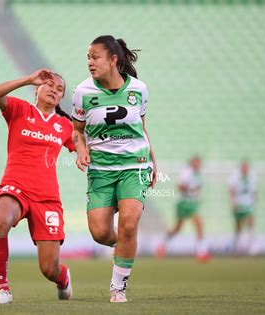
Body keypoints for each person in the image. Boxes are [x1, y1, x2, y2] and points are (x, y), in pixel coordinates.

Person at [72, 35, 157, 303]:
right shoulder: (82, 93)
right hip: (101, 170)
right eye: (88, 57)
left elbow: (141, 129)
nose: (89, 62)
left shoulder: (139, 89)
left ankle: (118, 287)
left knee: (129, 225)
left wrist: (154, 160)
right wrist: (82, 149)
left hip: (134, 165)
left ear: (113, 60)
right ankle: (125, 246)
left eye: (94, 57)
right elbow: (77, 130)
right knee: (100, 233)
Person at [0, 69, 75, 304]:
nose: (54, 91)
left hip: (46, 198)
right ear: (37, 89)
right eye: (50, 85)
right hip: (15, 186)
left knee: (49, 269)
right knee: (0, 220)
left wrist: (83, 151)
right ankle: (3, 289)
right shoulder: (19, 110)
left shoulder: (64, 125)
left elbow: (81, 144)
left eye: (60, 90)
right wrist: (26, 78)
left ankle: (63, 277)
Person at [155, 156, 211, 262]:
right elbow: (180, 186)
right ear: (192, 162)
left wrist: (196, 195)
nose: (198, 164)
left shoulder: (200, 174)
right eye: (196, 162)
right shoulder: (187, 172)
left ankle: (202, 252)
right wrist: (191, 190)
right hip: (183, 202)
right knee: (178, 228)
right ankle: (162, 244)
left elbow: (198, 188)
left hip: (192, 203)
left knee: (198, 223)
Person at [228, 160, 258, 255]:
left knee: (250, 221)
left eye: (246, 167)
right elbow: (231, 190)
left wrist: (255, 200)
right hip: (239, 203)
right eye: (243, 167)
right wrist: (233, 202)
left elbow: (254, 190)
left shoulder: (251, 177)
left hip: (248, 204)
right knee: (239, 225)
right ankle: (237, 244)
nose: (244, 168)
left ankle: (251, 244)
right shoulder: (235, 177)